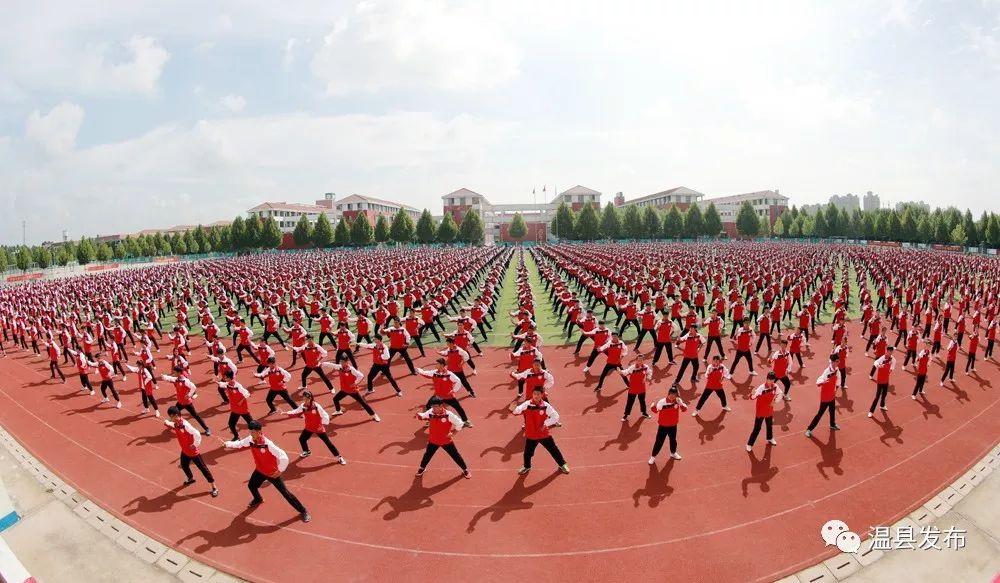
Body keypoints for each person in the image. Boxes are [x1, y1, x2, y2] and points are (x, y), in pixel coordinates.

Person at [223, 421, 310, 523]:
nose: (251, 434)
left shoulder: (268, 444)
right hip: (260, 470)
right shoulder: (250, 439)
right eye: (250, 432)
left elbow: (283, 456)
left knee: (286, 494)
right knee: (251, 486)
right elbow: (240, 444)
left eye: (253, 432)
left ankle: (303, 511)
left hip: (272, 473)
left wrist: (280, 470)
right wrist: (227, 444)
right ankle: (258, 499)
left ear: (259, 431)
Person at [510, 387, 569, 475]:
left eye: (538, 394)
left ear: (542, 395)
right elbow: (517, 410)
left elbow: (556, 416)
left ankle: (562, 464)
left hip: (543, 434)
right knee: (527, 453)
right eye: (534, 394)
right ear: (532, 394)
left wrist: (545, 424)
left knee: (553, 450)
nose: (536, 396)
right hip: (531, 435)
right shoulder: (527, 404)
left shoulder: (546, 405)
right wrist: (513, 409)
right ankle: (526, 466)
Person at [163, 406, 219, 497]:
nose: (170, 418)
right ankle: (190, 478)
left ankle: (214, 487)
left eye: (171, 416)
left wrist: (195, 444)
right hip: (185, 451)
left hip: (193, 452)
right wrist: (167, 422)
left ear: (176, 415)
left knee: (203, 469)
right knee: (184, 465)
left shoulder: (186, 425)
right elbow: (173, 425)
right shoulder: (176, 423)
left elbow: (197, 433)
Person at [415, 397, 471, 478]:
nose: (433, 408)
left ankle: (465, 469)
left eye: (435, 406)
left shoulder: (449, 414)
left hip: (446, 440)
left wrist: (453, 432)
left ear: (441, 406)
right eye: (432, 406)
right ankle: (422, 468)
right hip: (433, 440)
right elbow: (423, 416)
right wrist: (418, 415)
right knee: (427, 455)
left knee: (455, 456)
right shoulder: (431, 411)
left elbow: (460, 423)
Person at [284, 390, 346, 463]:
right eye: (304, 398)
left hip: (318, 428)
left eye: (307, 398)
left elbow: (324, 414)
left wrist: (323, 423)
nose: (306, 400)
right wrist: (287, 413)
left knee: (328, 443)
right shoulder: (303, 406)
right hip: (309, 427)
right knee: (302, 439)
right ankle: (306, 451)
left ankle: (339, 457)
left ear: (310, 398)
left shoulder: (316, 406)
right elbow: (296, 411)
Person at [323, 354, 380, 422]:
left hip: (352, 391)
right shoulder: (340, 367)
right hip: (344, 390)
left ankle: (374, 415)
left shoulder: (351, 369)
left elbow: (361, 375)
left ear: (347, 362)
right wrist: (323, 364)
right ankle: (338, 411)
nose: (342, 363)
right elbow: (332, 365)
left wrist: (355, 383)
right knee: (335, 399)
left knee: (363, 403)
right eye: (341, 362)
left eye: (343, 362)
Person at [415, 359, 471, 427]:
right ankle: (430, 421)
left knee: (458, 408)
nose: (435, 365)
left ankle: (465, 421)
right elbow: (426, 373)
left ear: (441, 365)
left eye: (437, 364)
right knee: (428, 406)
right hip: (437, 396)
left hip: (448, 396)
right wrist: (419, 370)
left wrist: (454, 390)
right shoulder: (434, 372)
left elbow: (458, 380)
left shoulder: (449, 374)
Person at [161, 367, 210, 433]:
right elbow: (170, 378)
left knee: (196, 415)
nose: (173, 373)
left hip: (187, 403)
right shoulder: (177, 379)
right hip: (180, 402)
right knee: (175, 413)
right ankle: (176, 425)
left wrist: (189, 395)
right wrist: (164, 377)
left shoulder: (185, 381)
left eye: (175, 372)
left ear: (179, 373)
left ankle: (206, 429)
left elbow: (193, 387)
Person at [648, 384, 687, 463]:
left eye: (674, 395)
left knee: (673, 440)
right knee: (659, 442)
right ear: (668, 393)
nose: (672, 397)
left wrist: (681, 404)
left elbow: (684, 409)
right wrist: (653, 405)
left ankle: (673, 453)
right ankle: (653, 457)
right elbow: (655, 410)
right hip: (663, 426)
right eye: (671, 395)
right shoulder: (662, 402)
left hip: (673, 425)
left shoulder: (678, 400)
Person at [805, 355, 841, 437]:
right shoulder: (827, 371)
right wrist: (822, 382)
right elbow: (819, 380)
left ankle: (832, 424)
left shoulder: (837, 369)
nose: (838, 362)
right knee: (820, 413)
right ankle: (809, 429)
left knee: (832, 410)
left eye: (838, 361)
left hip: (832, 394)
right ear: (832, 362)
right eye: (837, 361)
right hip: (825, 396)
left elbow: (838, 379)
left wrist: (836, 389)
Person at [746, 372, 782, 451]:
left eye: (773, 380)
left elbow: (780, 393)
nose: (771, 382)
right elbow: (754, 396)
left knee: (769, 425)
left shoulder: (775, 387)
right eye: (770, 380)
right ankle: (749, 444)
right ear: (767, 379)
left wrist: (775, 401)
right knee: (757, 428)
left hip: (769, 410)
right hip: (761, 411)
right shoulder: (761, 388)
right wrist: (751, 396)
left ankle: (770, 438)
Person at [217, 369, 255, 440]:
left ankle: (257, 436)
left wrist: (241, 401)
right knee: (231, 424)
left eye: (225, 377)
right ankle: (236, 436)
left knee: (252, 424)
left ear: (229, 378)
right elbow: (223, 384)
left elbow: (247, 393)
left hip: (242, 408)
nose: (224, 378)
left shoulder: (238, 386)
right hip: (234, 409)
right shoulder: (227, 384)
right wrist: (217, 382)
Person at [619, 354, 652, 421]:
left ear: (643, 360)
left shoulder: (646, 367)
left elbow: (649, 372)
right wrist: (620, 371)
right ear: (636, 360)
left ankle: (644, 413)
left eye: (641, 360)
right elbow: (626, 372)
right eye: (638, 360)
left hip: (642, 388)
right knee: (630, 402)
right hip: (633, 388)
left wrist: (648, 378)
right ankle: (626, 415)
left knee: (642, 401)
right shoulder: (632, 367)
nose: (640, 361)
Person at [868, 346, 896, 417]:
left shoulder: (893, 359)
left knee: (884, 394)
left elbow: (893, 366)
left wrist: (891, 369)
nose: (889, 353)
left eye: (891, 352)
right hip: (880, 380)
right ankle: (871, 411)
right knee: (877, 397)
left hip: (886, 379)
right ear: (886, 351)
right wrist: (878, 365)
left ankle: (882, 405)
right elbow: (875, 362)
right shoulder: (883, 358)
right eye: (888, 351)